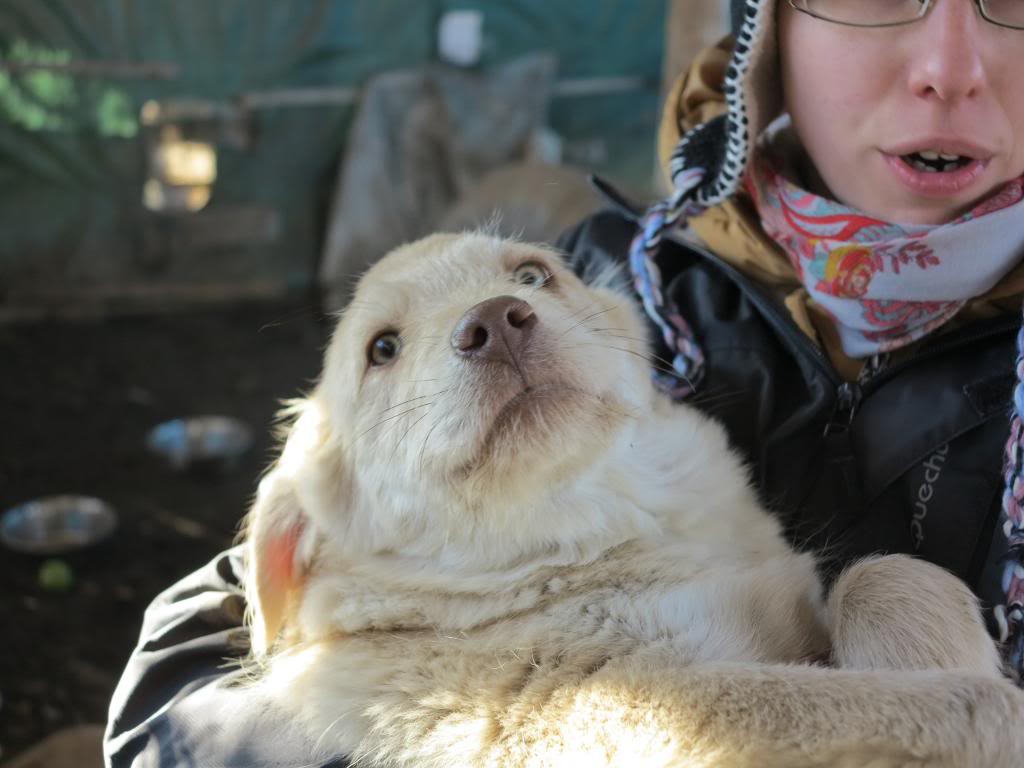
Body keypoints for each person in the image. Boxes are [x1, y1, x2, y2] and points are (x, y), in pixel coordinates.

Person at [104, 1, 1024, 765]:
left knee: (894, 592)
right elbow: (171, 708)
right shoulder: (642, 281)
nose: (949, 66)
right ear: (771, 30)